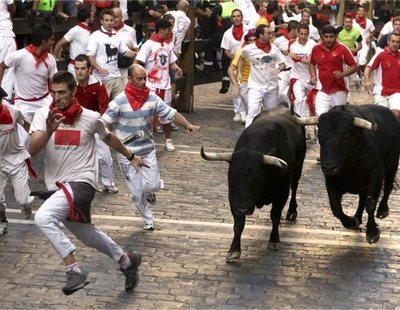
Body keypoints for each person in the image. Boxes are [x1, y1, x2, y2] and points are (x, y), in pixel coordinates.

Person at [29, 71, 147, 295]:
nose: (57, 98)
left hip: (82, 183)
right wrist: (48, 131)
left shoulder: (91, 117)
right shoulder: (44, 115)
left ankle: (73, 269)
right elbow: (32, 150)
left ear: (74, 91)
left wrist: (131, 156)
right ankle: (126, 261)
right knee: (86, 234)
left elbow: (109, 137)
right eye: (54, 93)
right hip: (58, 187)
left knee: (43, 217)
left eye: (62, 93)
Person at [101, 64, 200, 231]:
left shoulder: (152, 98)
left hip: (147, 151)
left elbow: (170, 112)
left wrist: (187, 125)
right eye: (139, 79)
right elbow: (103, 123)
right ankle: (148, 218)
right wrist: (107, 135)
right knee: (136, 193)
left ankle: (150, 192)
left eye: (144, 78)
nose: (143, 82)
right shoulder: (118, 102)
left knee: (152, 185)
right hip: (127, 155)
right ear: (130, 79)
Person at [0, 23, 57, 144]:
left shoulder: (51, 60)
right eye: (51, 39)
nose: (53, 42)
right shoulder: (19, 55)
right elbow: (2, 66)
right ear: (43, 41)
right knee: (21, 142)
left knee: (54, 136)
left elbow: (54, 81)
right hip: (23, 104)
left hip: (44, 102)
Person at [135, 18, 183, 152]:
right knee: (146, 115)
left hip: (165, 85)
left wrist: (177, 69)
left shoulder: (167, 46)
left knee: (166, 115)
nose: (170, 32)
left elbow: (171, 62)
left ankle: (168, 140)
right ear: (161, 30)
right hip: (150, 85)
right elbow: (138, 61)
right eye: (168, 30)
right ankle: (143, 140)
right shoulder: (148, 45)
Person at [74, 54, 118, 193]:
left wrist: (99, 120)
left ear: (89, 69)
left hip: (95, 123)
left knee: (104, 156)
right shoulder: (70, 84)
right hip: (76, 124)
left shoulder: (98, 85)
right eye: (77, 68)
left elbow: (104, 105)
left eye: (82, 68)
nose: (79, 71)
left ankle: (108, 183)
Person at [0, 86, 34, 235]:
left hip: (16, 159)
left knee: (23, 200)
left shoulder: (13, 111)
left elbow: (27, 125)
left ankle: (26, 206)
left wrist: (37, 137)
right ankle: (2, 221)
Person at [240, 24, 286, 128]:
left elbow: (283, 64)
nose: (271, 35)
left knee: (273, 114)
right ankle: (248, 136)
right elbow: (241, 58)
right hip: (255, 86)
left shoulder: (274, 49)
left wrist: (277, 70)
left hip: (272, 87)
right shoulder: (248, 49)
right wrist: (239, 73)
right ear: (261, 35)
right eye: (268, 33)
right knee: (252, 111)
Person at [86, 8, 137, 100]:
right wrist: (99, 68)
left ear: (114, 21)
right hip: (102, 78)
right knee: (104, 105)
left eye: (111, 20)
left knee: (120, 103)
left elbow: (127, 52)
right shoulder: (95, 36)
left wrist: (139, 53)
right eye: (106, 20)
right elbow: (89, 56)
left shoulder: (116, 36)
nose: (109, 23)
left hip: (117, 76)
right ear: (101, 21)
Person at [309, 25, 357, 116]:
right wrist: (313, 75)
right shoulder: (316, 48)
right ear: (322, 36)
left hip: (339, 89)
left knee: (338, 117)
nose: (328, 39)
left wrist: (343, 74)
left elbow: (354, 66)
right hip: (321, 89)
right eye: (326, 37)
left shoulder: (342, 49)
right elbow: (312, 63)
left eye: (331, 37)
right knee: (320, 117)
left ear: (335, 36)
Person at [220, 8, 248, 121]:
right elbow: (226, 50)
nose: (237, 18)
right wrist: (236, 59)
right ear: (232, 19)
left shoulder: (248, 30)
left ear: (242, 17)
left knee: (246, 88)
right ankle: (238, 111)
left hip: (248, 64)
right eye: (234, 16)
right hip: (235, 63)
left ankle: (246, 110)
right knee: (236, 87)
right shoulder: (227, 34)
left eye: (238, 16)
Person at [364, 32, 400, 119]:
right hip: (380, 92)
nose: (395, 44)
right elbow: (368, 69)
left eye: (398, 42)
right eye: (393, 41)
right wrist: (367, 81)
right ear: (388, 41)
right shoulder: (380, 54)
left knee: (396, 114)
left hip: (396, 91)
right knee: (382, 117)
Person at [227, 28, 256, 124]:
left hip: (259, 84)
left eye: (254, 40)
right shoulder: (242, 52)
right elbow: (230, 70)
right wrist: (235, 86)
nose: (252, 42)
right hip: (245, 83)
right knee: (252, 111)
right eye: (250, 40)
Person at [288, 23, 317, 118]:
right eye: (301, 34)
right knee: (299, 99)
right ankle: (300, 122)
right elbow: (288, 53)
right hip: (296, 76)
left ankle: (314, 123)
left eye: (305, 34)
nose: (303, 36)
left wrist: (298, 58)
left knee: (313, 102)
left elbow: (311, 61)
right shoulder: (292, 43)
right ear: (297, 33)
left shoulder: (313, 44)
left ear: (309, 34)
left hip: (310, 77)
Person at [53, 7, 93, 74]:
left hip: (87, 68)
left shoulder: (89, 31)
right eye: (92, 16)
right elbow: (60, 43)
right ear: (87, 19)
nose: (93, 18)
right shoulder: (75, 30)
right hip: (74, 69)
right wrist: (54, 59)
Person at [273, 20, 299, 105]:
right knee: (278, 93)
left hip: (295, 72)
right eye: (293, 33)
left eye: (296, 33)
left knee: (296, 95)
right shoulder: (278, 41)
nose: (295, 35)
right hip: (283, 72)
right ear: (288, 31)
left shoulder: (300, 41)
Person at [112, 7, 138, 85]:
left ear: (121, 17)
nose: (114, 20)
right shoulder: (107, 31)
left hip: (125, 68)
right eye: (112, 17)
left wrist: (133, 67)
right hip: (111, 69)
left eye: (116, 17)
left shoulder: (130, 31)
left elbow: (136, 49)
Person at [337, 14, 362, 90]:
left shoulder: (356, 31)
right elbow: (334, 39)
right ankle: (346, 91)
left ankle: (357, 80)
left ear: (352, 23)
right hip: (341, 54)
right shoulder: (338, 30)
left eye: (349, 22)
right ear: (343, 23)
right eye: (346, 22)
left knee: (353, 74)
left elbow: (360, 45)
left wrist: (355, 50)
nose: (348, 24)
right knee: (344, 73)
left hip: (352, 54)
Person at [353, 5, 375, 80]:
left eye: (362, 11)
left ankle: (366, 76)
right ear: (357, 12)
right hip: (355, 44)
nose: (361, 12)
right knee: (356, 62)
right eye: (359, 11)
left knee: (361, 61)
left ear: (365, 12)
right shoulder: (353, 22)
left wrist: (369, 37)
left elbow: (373, 31)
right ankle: (359, 78)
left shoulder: (369, 22)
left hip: (365, 44)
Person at [0, 0, 17, 97]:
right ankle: (5, 101)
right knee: (7, 70)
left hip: (4, 32)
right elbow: (12, 8)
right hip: (4, 33)